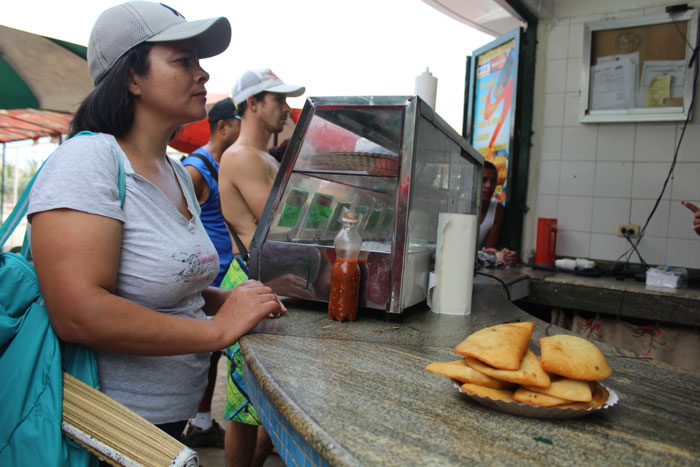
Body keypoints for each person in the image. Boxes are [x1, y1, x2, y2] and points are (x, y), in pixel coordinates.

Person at [27, 0, 285, 443]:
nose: (202, 74)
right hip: (107, 433)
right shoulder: (88, 161)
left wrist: (227, 300)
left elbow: (159, 287)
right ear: (131, 77)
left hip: (165, 426)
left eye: (200, 62)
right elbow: (79, 313)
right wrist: (217, 330)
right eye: (183, 61)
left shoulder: (171, 171)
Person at [218, 68, 304, 467]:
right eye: (278, 101)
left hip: (271, 275)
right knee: (243, 402)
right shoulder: (239, 157)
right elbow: (279, 226)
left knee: (266, 394)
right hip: (251, 276)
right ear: (252, 103)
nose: (286, 110)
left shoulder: (265, 159)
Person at [179, 97, 241, 448]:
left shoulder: (224, 166)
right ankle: (195, 423)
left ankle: (202, 422)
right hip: (208, 279)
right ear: (223, 126)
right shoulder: (196, 168)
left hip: (223, 274)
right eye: (237, 120)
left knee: (214, 353)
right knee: (202, 353)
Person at [478, 160, 518, 265]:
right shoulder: (459, 205)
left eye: (493, 181)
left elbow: (490, 251)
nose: (488, 185)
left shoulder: (497, 210)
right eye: (483, 180)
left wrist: (503, 255)